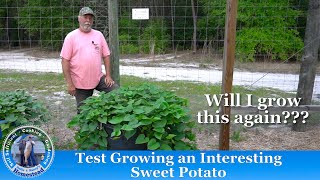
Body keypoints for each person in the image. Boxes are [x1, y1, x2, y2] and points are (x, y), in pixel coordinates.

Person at [60, 7, 118, 112]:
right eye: (85, 17)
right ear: (79, 18)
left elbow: (106, 55)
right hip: (80, 82)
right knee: (83, 113)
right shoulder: (71, 37)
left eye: (90, 18)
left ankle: (109, 121)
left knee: (117, 92)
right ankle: (86, 126)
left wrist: (108, 76)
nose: (88, 20)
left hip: (98, 78)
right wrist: (70, 84)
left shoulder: (98, 35)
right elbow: (65, 61)